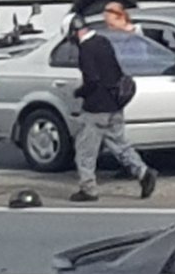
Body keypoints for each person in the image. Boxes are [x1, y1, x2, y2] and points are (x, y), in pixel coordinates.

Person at [67, 14, 158, 201]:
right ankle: (143, 172)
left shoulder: (86, 49)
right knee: (120, 145)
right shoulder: (103, 41)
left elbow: (92, 80)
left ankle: (88, 189)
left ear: (73, 32)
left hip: (96, 109)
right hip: (114, 105)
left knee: (85, 151)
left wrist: (80, 93)